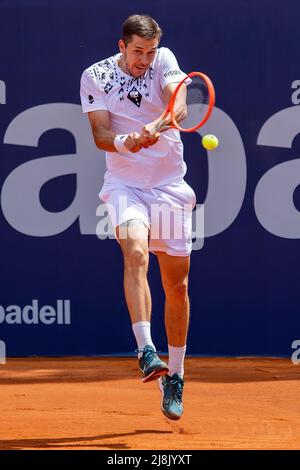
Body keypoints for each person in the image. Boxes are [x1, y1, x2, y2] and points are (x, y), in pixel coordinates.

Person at [80, 14, 196, 420]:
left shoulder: (163, 59)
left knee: (176, 286)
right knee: (136, 253)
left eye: (149, 52)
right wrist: (128, 140)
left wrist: (165, 120)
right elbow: (99, 135)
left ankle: (176, 375)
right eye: (137, 52)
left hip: (168, 186)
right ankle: (146, 349)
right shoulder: (94, 77)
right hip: (125, 186)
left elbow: (178, 100)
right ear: (121, 46)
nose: (144, 60)